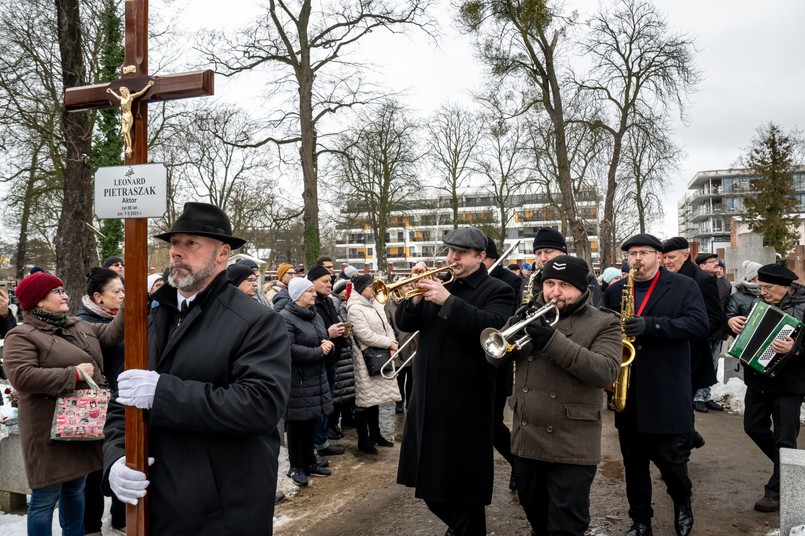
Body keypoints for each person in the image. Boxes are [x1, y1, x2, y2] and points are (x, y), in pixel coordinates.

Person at [102, 202, 291, 534]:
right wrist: (116, 459)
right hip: (155, 505)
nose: (176, 252)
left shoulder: (257, 321)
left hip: (221, 512)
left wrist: (165, 393)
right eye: (174, 243)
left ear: (222, 254)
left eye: (191, 243)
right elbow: (125, 400)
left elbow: (261, 405)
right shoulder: (153, 317)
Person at [395, 226, 515, 536]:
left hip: (466, 399)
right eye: (449, 251)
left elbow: (491, 328)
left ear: (481, 256)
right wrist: (418, 300)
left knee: (462, 485)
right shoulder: (438, 284)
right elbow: (405, 323)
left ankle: (466, 529)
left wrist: (448, 301)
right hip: (427, 397)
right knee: (429, 481)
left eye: (460, 253)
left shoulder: (497, 289)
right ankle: (461, 528)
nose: (452, 258)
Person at [495, 255, 621, 535]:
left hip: (572, 444)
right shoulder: (528, 314)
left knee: (566, 527)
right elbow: (493, 358)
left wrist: (551, 341)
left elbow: (606, 371)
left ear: (581, 289)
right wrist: (512, 331)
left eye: (564, 285)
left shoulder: (604, 322)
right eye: (550, 283)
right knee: (537, 520)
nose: (554, 292)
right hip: (527, 440)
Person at [3, 272, 124, 536]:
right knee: (45, 498)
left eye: (62, 290)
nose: (65, 295)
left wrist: (128, 302)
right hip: (46, 430)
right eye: (57, 292)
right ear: (38, 301)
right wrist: (74, 374)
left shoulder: (77, 325)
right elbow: (21, 377)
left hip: (78, 427)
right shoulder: (22, 335)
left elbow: (113, 333)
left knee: (75, 490)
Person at [603, 233, 708, 536]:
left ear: (659, 257)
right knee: (634, 465)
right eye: (632, 254)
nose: (636, 259)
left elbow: (700, 325)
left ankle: (682, 500)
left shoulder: (684, 286)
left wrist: (653, 325)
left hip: (666, 389)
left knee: (671, 461)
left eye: (644, 253)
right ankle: (640, 521)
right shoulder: (617, 291)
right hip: (629, 390)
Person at [729, 264, 805, 513]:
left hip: (789, 384)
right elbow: (746, 335)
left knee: (785, 438)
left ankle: (776, 492)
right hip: (757, 381)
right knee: (753, 427)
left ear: (786, 287)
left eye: (768, 288)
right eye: (761, 286)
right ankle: (791, 468)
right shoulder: (757, 304)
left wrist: (794, 349)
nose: (763, 292)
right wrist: (733, 323)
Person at [75, 267, 127, 535]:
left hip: (121, 402)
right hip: (98, 405)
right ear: (98, 297)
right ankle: (92, 526)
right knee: (95, 471)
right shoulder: (83, 324)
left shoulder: (116, 317)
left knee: (123, 460)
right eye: (117, 291)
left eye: (124, 290)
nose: (122, 296)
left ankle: (120, 519)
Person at [279, 277, 335, 486]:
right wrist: (318, 351)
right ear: (297, 296)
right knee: (296, 424)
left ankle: (310, 461)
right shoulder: (285, 317)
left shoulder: (315, 315)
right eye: (310, 291)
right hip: (298, 380)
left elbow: (322, 338)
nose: (314, 294)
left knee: (311, 419)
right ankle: (296, 466)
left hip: (315, 376)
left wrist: (328, 345)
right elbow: (289, 349)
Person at [662, 238, 724, 417]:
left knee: (682, 407)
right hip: (666, 351)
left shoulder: (702, 280)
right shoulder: (664, 276)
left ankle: (686, 438)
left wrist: (689, 331)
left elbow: (715, 319)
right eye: (665, 257)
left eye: (672, 257)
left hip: (691, 353)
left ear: (686, 255)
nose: (667, 262)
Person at [347, 275, 401, 454]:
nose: (374, 289)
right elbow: (364, 334)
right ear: (361, 288)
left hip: (381, 354)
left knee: (375, 399)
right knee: (364, 401)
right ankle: (363, 440)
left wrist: (393, 345)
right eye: (371, 286)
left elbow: (387, 327)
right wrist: (389, 344)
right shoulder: (354, 308)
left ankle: (376, 434)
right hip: (365, 358)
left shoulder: (374, 305)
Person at [482, 236, 520, 491]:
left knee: (493, 425)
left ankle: (519, 464)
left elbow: (505, 320)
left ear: (486, 257)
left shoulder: (509, 281)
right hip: (470, 365)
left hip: (495, 364)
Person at [308, 264, 348, 456]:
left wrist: (343, 332)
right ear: (312, 283)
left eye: (330, 281)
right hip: (318, 362)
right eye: (324, 282)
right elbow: (308, 334)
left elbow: (332, 323)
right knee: (319, 404)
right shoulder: (310, 303)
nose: (329, 285)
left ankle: (322, 442)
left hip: (331, 361)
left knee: (327, 402)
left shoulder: (328, 301)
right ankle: (318, 443)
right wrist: (329, 333)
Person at [531, 227, 604, 307]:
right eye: (538, 253)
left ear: (563, 253)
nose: (543, 258)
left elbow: (595, 315)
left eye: (548, 252)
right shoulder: (529, 282)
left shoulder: (586, 279)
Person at [695, 252, 731, 412]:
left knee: (714, 365)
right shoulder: (697, 283)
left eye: (716, 261)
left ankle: (706, 395)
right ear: (702, 266)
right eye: (712, 262)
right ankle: (697, 397)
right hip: (703, 331)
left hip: (718, 331)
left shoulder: (724, 284)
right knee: (702, 364)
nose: (716, 264)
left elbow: (725, 308)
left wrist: (726, 328)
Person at [328, 278, 357, 438]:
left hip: (345, 351)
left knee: (345, 391)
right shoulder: (335, 304)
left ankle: (344, 419)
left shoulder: (342, 305)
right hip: (338, 353)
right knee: (337, 392)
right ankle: (332, 424)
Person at [106, 80, 154, 157]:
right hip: (123, 116)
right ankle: (128, 147)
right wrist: (111, 91)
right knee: (124, 132)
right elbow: (117, 96)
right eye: (120, 91)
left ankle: (129, 147)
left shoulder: (130, 97)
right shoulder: (121, 98)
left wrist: (148, 85)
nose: (121, 92)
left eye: (122, 91)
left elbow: (140, 93)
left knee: (127, 131)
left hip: (128, 116)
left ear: (125, 91)